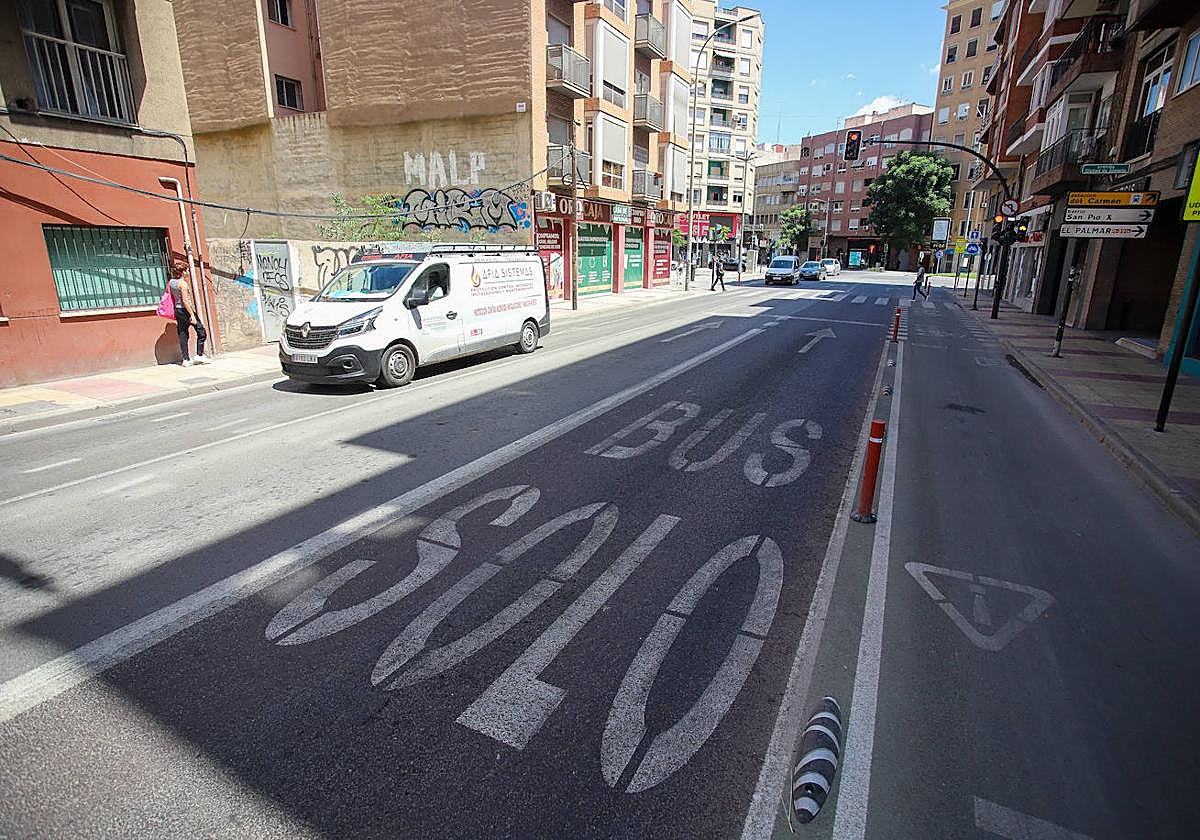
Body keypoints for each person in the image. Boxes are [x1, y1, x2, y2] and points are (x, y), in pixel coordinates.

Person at [168, 260, 209, 367]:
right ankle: (199, 354)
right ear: (182, 272)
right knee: (201, 331)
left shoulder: (171, 282)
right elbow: (185, 301)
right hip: (185, 310)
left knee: (183, 334)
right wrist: (192, 314)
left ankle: (185, 359)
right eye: (187, 270)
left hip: (177, 310)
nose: (188, 272)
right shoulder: (183, 284)